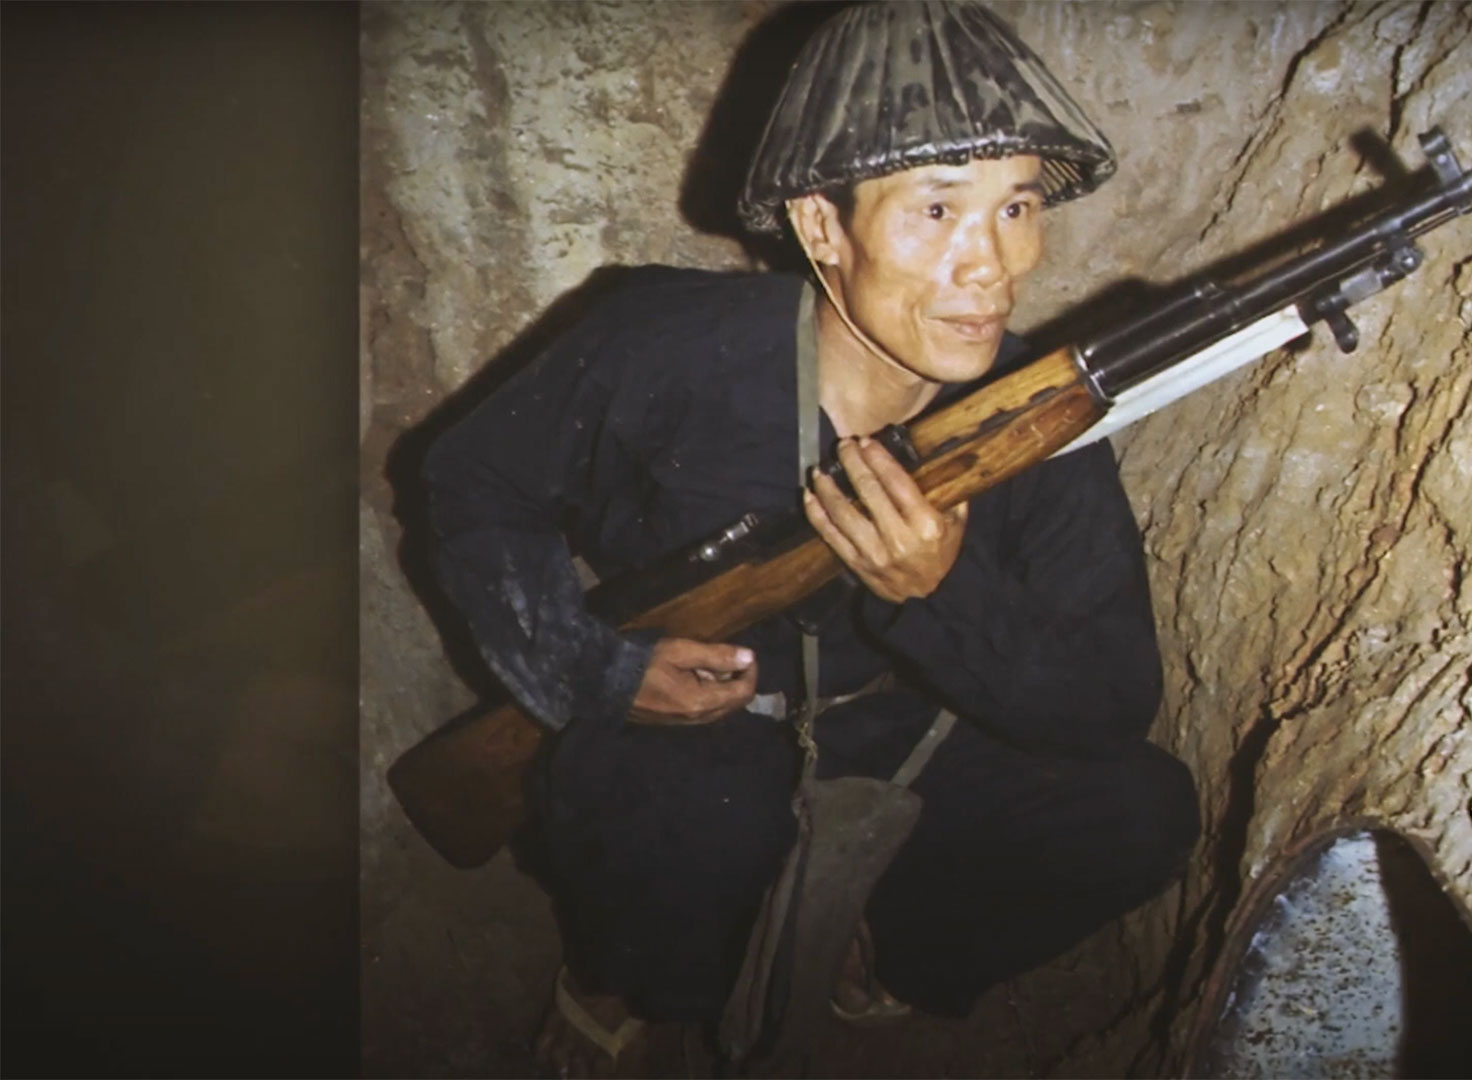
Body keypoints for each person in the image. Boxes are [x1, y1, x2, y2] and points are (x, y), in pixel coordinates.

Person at [420, 1, 1200, 1073]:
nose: (992, 265)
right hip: (704, 737)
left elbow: (1108, 702)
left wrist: (945, 591)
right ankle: (625, 981)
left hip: (914, 740)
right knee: (649, 808)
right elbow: (473, 483)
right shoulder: (662, 342)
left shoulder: (1038, 415)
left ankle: (882, 953)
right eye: (935, 210)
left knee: (1141, 811)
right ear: (823, 227)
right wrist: (589, 666)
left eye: (1017, 205)